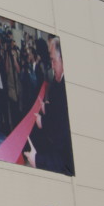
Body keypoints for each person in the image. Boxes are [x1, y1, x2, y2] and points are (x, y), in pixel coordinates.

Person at [25, 36, 75, 175]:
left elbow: (63, 151)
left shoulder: (65, 89)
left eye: (54, 60)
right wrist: (45, 108)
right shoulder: (59, 82)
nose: (52, 66)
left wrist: (38, 160)